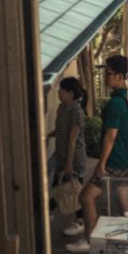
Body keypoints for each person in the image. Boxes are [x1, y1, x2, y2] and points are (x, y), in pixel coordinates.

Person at [69, 55, 128, 253]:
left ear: (119, 76)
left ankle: (91, 241)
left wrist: (101, 163)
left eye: (107, 74)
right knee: (123, 196)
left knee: (86, 197)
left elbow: (110, 135)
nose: (105, 78)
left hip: (114, 161)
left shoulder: (115, 103)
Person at [52, 77, 87, 237]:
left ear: (70, 93)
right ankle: (50, 213)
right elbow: (60, 130)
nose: (58, 93)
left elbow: (72, 139)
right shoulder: (61, 108)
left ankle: (80, 221)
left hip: (74, 159)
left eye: (62, 90)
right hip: (61, 155)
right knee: (59, 187)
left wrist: (68, 164)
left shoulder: (77, 112)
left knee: (75, 190)